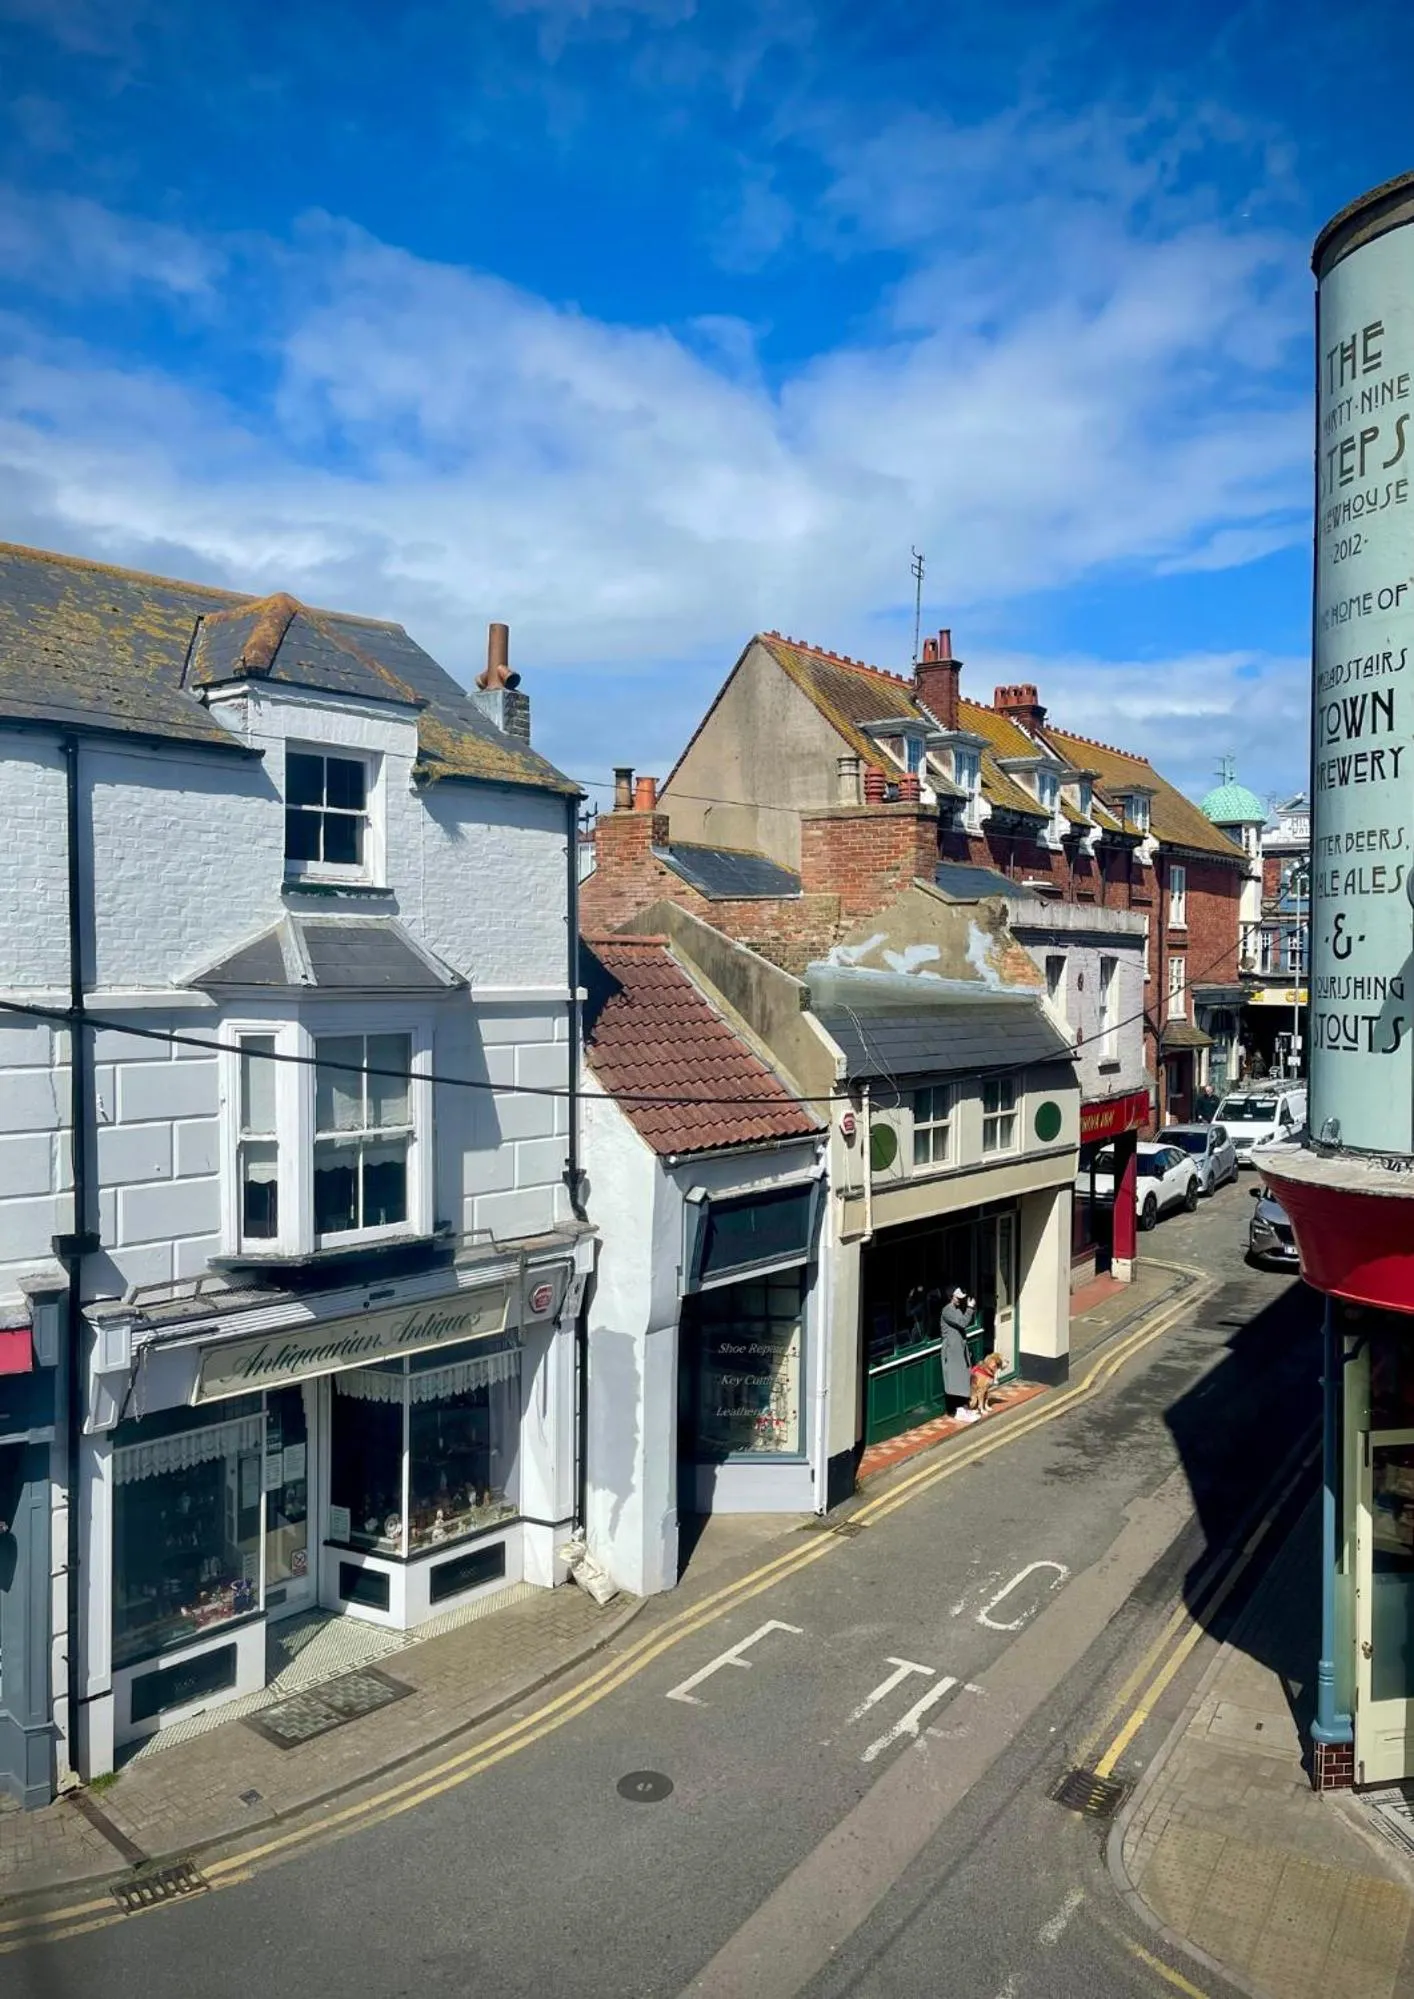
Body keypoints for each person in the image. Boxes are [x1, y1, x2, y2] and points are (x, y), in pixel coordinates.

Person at [940, 1285, 975, 1418]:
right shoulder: (947, 1310)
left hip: (959, 1349)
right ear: (951, 1297)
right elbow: (962, 1323)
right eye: (957, 1297)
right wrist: (970, 1308)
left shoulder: (957, 1309)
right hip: (952, 1350)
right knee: (954, 1379)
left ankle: (962, 1406)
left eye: (961, 1298)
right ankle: (954, 1410)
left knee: (962, 1377)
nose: (960, 1300)